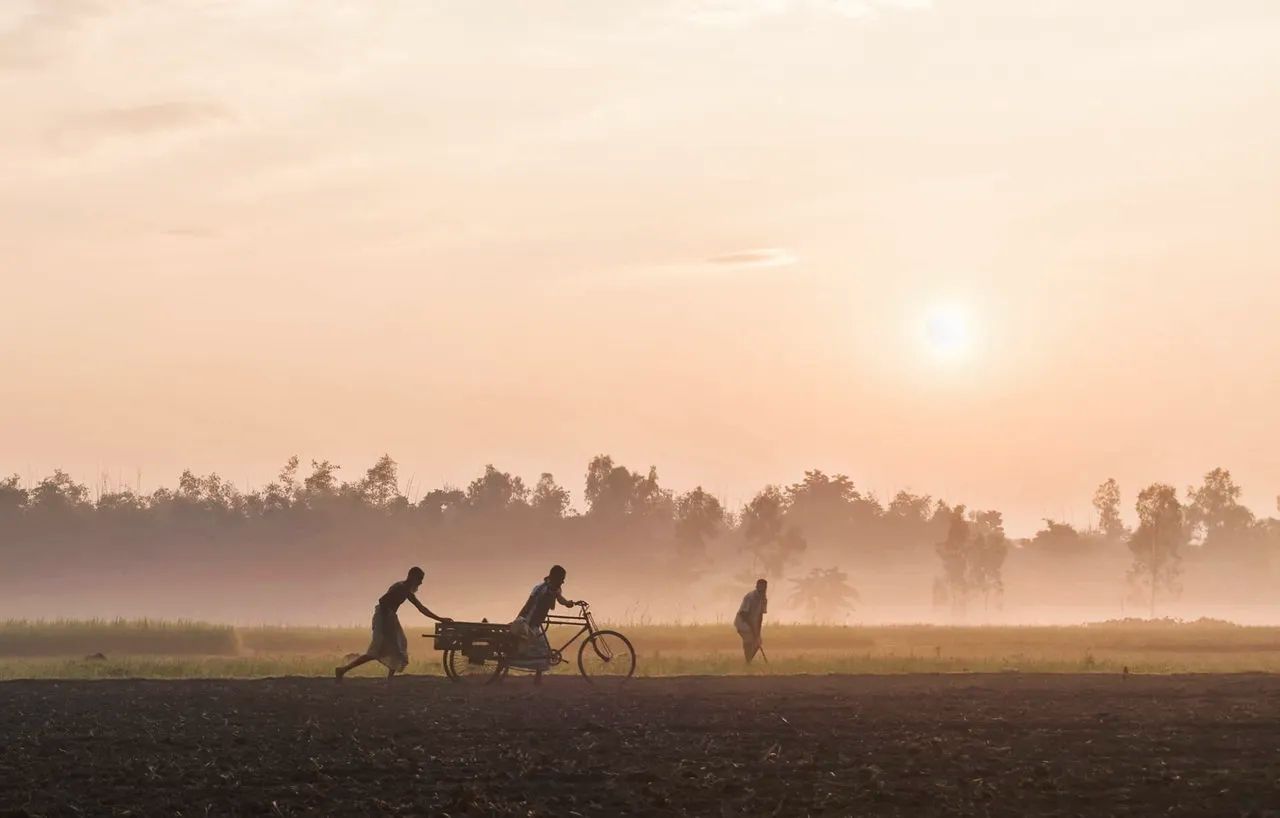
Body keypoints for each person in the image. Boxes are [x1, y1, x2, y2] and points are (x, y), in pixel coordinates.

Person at [336, 566, 449, 683]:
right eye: (419, 579)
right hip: (384, 617)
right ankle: (343, 670)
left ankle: (390, 678)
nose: (421, 583)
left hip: (389, 617)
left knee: (399, 646)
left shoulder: (405, 589)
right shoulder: (401, 588)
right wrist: (385, 624)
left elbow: (421, 608)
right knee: (375, 651)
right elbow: (383, 601)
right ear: (412, 577)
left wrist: (440, 619)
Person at [511, 564, 581, 683]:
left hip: (536, 622)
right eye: (561, 578)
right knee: (541, 649)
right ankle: (536, 678)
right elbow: (529, 605)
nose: (563, 581)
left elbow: (560, 599)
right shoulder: (541, 589)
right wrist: (521, 620)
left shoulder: (555, 589)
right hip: (529, 621)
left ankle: (537, 677)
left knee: (541, 649)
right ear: (554, 577)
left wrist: (570, 603)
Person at [734, 578, 768, 663]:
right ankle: (748, 661)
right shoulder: (750, 597)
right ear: (756, 586)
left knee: (758, 642)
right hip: (742, 622)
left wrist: (758, 632)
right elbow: (744, 614)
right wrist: (753, 628)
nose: (762, 590)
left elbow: (760, 616)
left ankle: (748, 661)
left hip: (753, 623)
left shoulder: (764, 599)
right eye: (760, 588)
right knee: (749, 640)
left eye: (764, 588)